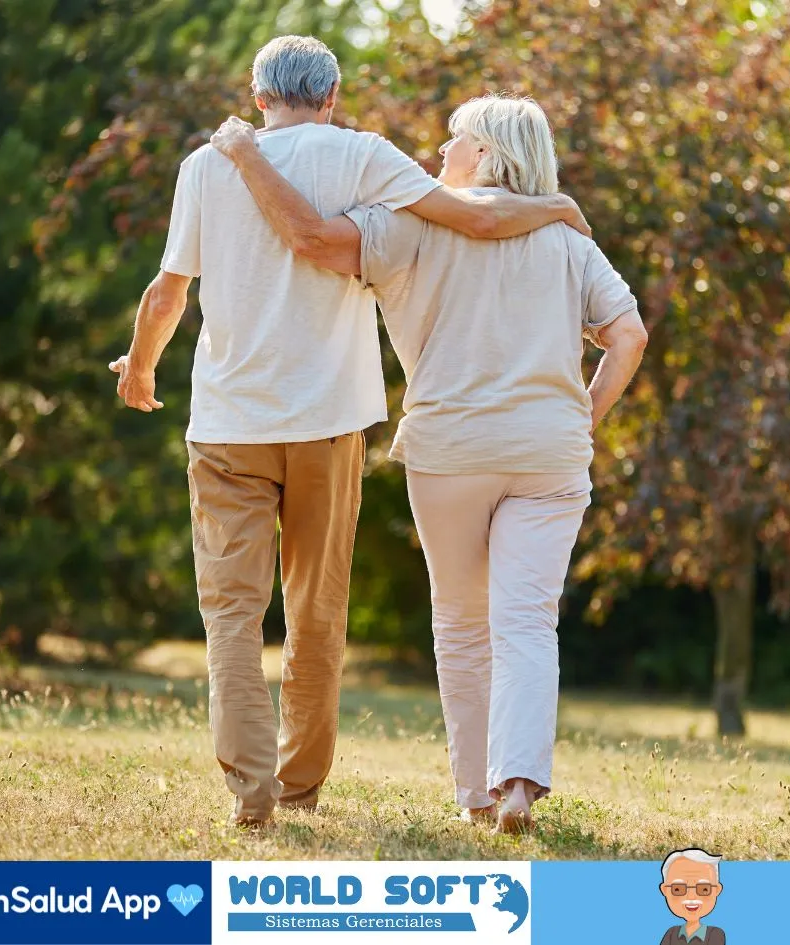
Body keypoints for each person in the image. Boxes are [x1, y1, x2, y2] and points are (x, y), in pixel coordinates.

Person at [109, 37, 591, 828]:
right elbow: (472, 215)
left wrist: (139, 366)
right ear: (331, 94)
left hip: (228, 424)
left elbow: (168, 291)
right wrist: (557, 209)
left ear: (257, 94)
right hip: (329, 423)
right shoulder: (366, 156)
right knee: (316, 611)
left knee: (231, 615)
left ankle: (249, 791)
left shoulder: (206, 164)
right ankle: (298, 786)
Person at [209, 93, 648, 832]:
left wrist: (246, 158)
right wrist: (584, 415)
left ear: (482, 153)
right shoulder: (568, 236)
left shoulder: (408, 224)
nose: (437, 153)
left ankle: (475, 795)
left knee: (461, 623)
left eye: (452, 140)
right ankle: (517, 784)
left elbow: (314, 243)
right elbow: (627, 335)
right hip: (549, 451)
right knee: (528, 622)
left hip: (451, 450)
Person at [658, 848, 727, 944]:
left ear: (717, 890)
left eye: (704, 889)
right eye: (678, 889)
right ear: (665, 890)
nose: (691, 897)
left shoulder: (714, 934)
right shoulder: (671, 933)